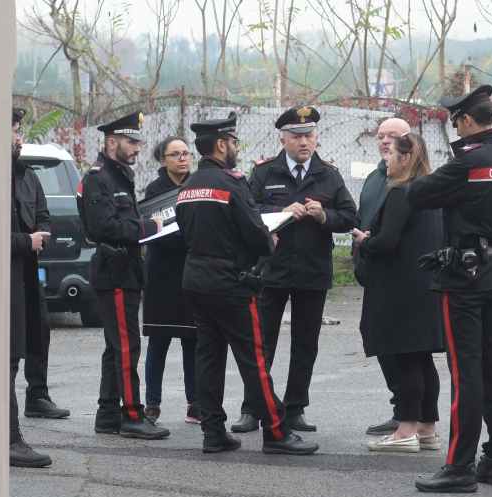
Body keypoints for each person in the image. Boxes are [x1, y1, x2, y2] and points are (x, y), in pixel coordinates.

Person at [175, 113, 318, 455]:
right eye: (234, 142)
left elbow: (185, 232)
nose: (236, 148)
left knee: (208, 357)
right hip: (231, 283)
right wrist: (269, 242)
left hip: (195, 280)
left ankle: (213, 431)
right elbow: (255, 233)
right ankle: (277, 431)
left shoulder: (188, 187)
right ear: (222, 144)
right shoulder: (231, 184)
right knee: (253, 359)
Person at [407, 85, 492, 493]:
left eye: (456, 123)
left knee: (465, 371)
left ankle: (459, 466)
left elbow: (418, 194)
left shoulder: (467, 164)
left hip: (464, 277)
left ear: (467, 121)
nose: (455, 130)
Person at [232, 106, 357, 433]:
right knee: (262, 343)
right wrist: (279, 210)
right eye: (297, 136)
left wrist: (324, 216)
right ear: (283, 138)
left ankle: (295, 407)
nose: (304, 142)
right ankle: (253, 407)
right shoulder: (264, 172)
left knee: (305, 344)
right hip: (271, 269)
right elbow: (246, 211)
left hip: (312, 270)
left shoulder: (328, 173)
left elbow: (349, 216)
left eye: (309, 135)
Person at [76, 111, 169, 440]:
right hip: (114, 271)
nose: (137, 148)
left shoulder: (118, 175)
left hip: (126, 270)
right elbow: (104, 227)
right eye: (131, 142)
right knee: (127, 346)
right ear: (111, 141)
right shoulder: (99, 178)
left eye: (138, 142)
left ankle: (107, 413)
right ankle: (131, 414)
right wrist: (147, 228)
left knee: (115, 347)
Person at [352, 132, 444, 453]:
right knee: (422, 358)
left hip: (399, 290)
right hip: (428, 287)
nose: (386, 161)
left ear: (405, 158)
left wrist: (365, 240)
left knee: (404, 357)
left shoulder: (400, 193)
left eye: (390, 154)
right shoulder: (432, 195)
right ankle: (427, 429)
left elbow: (387, 242)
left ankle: (404, 430)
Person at [357, 117, 411, 437]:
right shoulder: (375, 178)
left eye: (393, 135)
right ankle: (401, 405)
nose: (385, 140)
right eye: (381, 135)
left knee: (404, 345)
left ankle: (409, 412)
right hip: (373, 272)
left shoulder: (411, 180)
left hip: (400, 276)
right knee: (375, 336)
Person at [141, 136, 199, 424]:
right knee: (159, 341)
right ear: (163, 159)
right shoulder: (155, 191)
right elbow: (152, 229)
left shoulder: (198, 186)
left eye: (186, 153)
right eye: (175, 154)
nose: (182, 159)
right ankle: (152, 404)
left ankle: (195, 403)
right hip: (162, 273)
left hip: (192, 271)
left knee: (193, 341)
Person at [9, 108, 53, 467]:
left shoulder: (24, 175)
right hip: (0, 280)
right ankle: (8, 440)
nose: (19, 137)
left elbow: (43, 214)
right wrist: (26, 241)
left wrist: (40, 235)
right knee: (3, 362)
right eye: (13, 129)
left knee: (20, 351)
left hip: (23, 277)